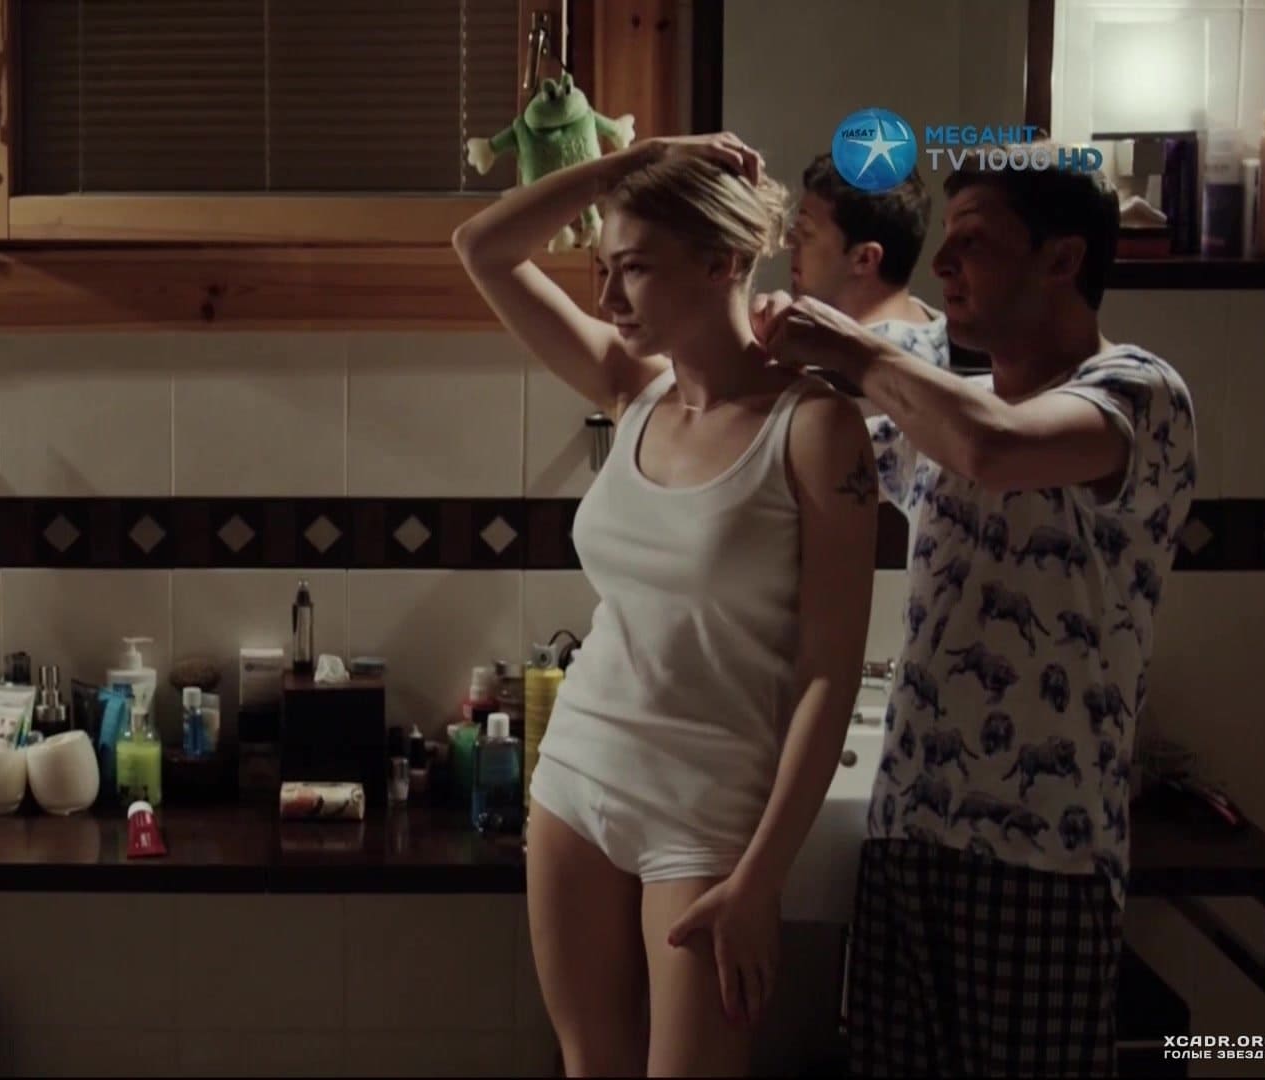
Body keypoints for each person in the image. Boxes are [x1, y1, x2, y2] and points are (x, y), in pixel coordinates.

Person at [753, 151, 1197, 1076]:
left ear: (1062, 259)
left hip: (1043, 858)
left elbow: (991, 448)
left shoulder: (1138, 392)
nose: (943, 263)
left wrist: (850, 348)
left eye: (975, 242)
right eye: (945, 242)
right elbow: (807, 453)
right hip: (906, 835)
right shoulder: (950, 405)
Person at [453, 133, 878, 1077]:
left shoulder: (816, 430)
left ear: (723, 261)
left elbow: (828, 674)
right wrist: (629, 163)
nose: (610, 297)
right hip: (576, 778)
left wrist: (761, 879)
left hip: (707, 813)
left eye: (636, 269)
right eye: (605, 270)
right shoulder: (633, 389)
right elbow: (482, 247)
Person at [786, 153, 949, 370]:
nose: (789, 242)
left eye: (806, 233)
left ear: (865, 259)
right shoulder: (941, 333)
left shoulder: (863, 374)